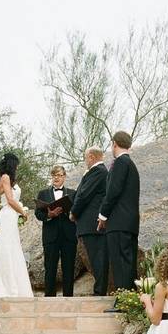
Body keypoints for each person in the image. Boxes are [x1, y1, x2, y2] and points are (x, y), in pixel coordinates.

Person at [98, 131, 140, 310]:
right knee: (127, 262)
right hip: (129, 222)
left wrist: (102, 215)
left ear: (114, 144)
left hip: (118, 222)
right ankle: (128, 301)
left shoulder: (121, 163)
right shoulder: (131, 164)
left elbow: (113, 192)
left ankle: (123, 303)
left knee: (120, 263)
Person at [0, 152, 33, 298]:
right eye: (16, 165)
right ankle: (6, 286)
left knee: (13, 248)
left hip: (11, 216)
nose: (17, 167)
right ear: (12, 164)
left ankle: (15, 284)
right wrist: (23, 212)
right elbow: (10, 200)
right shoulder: (5, 177)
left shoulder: (8, 179)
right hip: (8, 215)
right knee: (7, 248)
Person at [70, 147, 109, 296]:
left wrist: (74, 212)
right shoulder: (95, 172)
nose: (85, 161)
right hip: (90, 225)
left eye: (85, 157)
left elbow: (84, 195)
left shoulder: (98, 171)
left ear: (91, 157)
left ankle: (100, 291)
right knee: (96, 258)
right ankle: (99, 289)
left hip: (93, 224)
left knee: (98, 258)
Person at [36, 165, 77, 296]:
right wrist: (49, 215)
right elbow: (38, 214)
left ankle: (68, 298)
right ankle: (49, 298)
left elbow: (77, 213)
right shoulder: (43, 193)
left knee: (69, 268)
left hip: (69, 236)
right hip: (50, 236)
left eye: (59, 175)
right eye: (54, 175)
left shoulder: (72, 193)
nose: (56, 178)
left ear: (64, 177)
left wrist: (69, 212)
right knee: (50, 268)